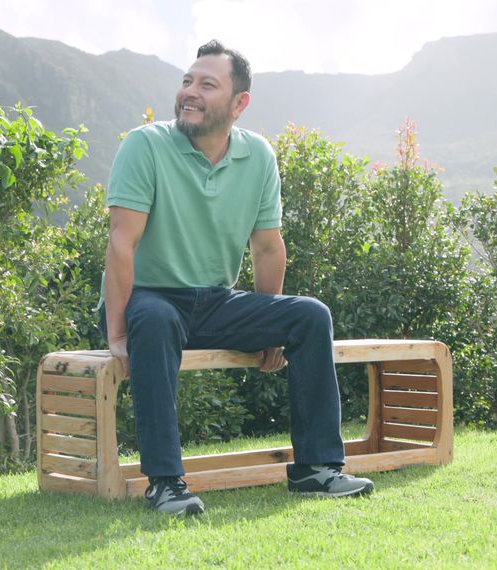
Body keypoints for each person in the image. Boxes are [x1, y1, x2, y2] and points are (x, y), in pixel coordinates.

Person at [99, 39, 374, 516]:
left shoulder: (258, 156)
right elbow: (122, 244)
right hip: (147, 300)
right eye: (187, 81)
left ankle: (316, 469)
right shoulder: (145, 145)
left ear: (238, 103)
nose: (190, 92)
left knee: (311, 316)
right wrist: (117, 331)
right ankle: (166, 484)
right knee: (158, 319)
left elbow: (267, 247)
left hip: (215, 302)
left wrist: (271, 326)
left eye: (207, 85)